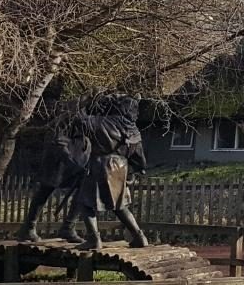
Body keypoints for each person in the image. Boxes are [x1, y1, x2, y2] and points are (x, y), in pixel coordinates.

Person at [75, 94, 148, 250]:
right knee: (120, 206)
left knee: (85, 203)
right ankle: (139, 236)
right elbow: (139, 155)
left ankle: (93, 239)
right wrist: (137, 169)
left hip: (100, 165)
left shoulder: (98, 122)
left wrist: (85, 101)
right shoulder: (132, 129)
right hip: (120, 167)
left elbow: (79, 118)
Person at [16, 106, 90, 243]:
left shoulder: (94, 118)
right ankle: (28, 228)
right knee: (44, 192)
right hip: (59, 163)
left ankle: (68, 227)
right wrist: (73, 162)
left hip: (75, 162)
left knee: (83, 192)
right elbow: (59, 142)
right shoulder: (69, 116)